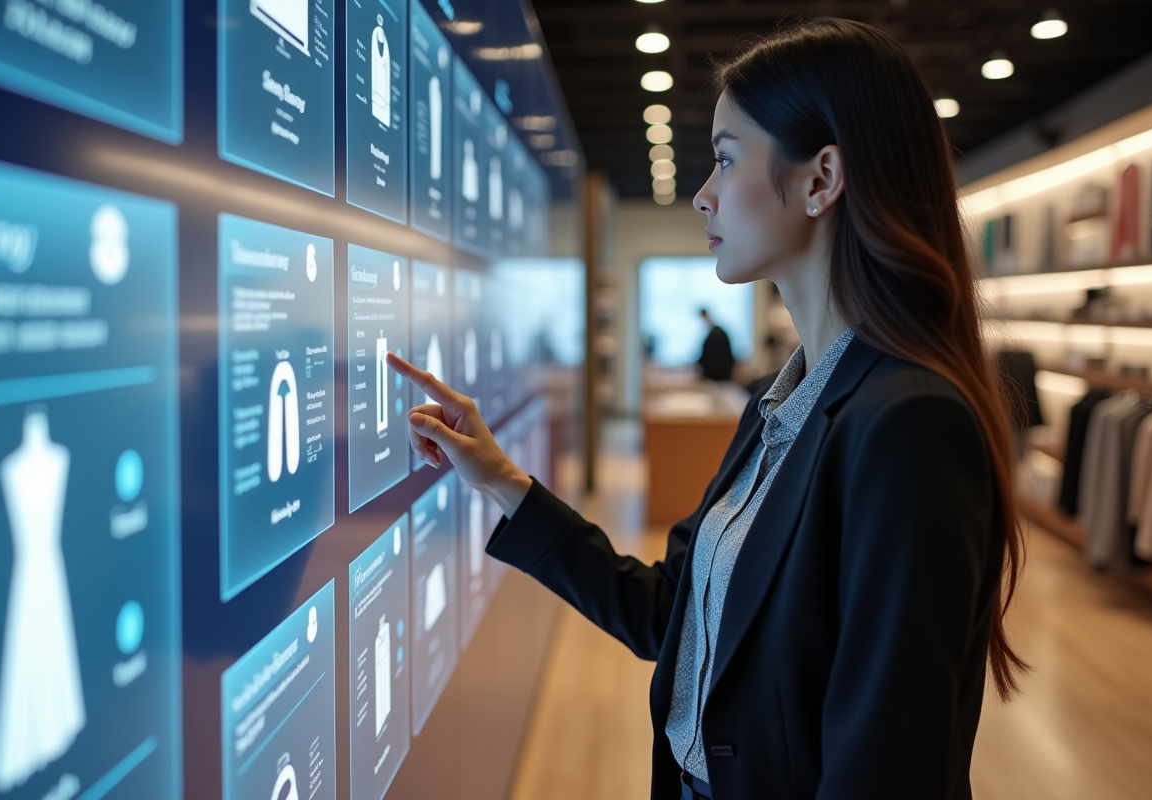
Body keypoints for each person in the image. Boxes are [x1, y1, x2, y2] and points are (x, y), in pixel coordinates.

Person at [388, 17, 1025, 800]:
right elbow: (671, 612)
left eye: (726, 159)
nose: (703, 194)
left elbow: (887, 769)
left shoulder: (908, 426)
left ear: (821, 180)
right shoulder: (779, 404)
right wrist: (501, 480)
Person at [697, 308, 736, 381]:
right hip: (719, 377)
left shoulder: (717, 335)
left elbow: (711, 358)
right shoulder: (715, 334)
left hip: (718, 378)